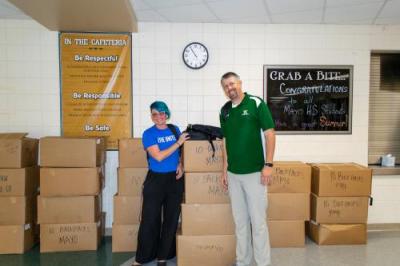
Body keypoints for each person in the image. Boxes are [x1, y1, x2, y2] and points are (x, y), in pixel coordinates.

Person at [219, 72, 276, 266]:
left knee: (258, 224)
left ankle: (263, 263)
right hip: (234, 176)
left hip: (255, 174)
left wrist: (268, 165)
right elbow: (225, 141)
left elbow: (270, 134)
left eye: (232, 83)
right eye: (225, 86)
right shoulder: (225, 111)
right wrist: (224, 169)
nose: (229, 88)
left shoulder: (255, 103)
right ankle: (242, 261)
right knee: (240, 223)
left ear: (240, 83)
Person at [133, 101, 190, 266]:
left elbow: (180, 153)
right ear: (151, 116)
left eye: (162, 113)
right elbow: (158, 156)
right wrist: (178, 142)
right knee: (150, 219)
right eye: (154, 114)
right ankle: (142, 257)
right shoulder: (148, 134)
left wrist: (180, 164)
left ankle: (163, 255)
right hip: (156, 180)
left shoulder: (174, 129)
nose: (159, 117)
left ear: (167, 113)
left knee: (171, 218)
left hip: (175, 180)